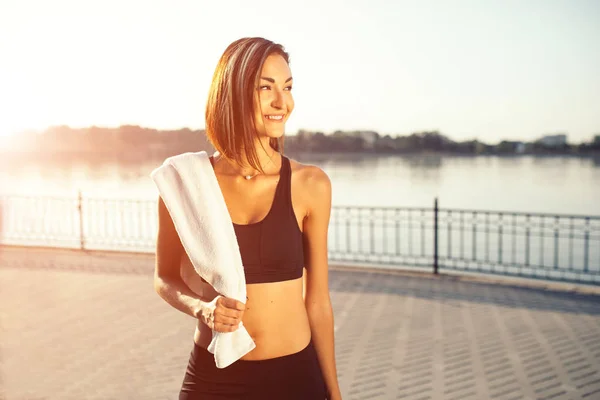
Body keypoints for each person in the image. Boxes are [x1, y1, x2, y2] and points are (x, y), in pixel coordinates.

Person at [154, 37, 342, 400]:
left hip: (294, 378)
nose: (281, 102)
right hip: (214, 378)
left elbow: (317, 301)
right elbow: (164, 277)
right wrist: (202, 309)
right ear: (234, 93)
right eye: (265, 88)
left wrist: (333, 391)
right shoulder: (185, 183)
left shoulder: (310, 184)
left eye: (287, 87)